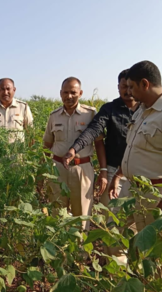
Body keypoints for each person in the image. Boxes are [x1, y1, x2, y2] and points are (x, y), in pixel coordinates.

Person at [108, 61, 162, 233]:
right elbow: (135, 149)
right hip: (131, 190)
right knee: (115, 235)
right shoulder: (141, 110)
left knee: (155, 250)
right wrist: (118, 175)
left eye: (132, 87)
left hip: (155, 196)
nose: (129, 93)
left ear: (145, 84)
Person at [63, 69, 139, 215]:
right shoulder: (109, 109)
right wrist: (74, 149)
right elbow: (92, 131)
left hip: (140, 172)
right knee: (111, 215)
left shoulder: (145, 109)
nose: (128, 91)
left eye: (131, 87)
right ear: (118, 87)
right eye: (124, 86)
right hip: (113, 170)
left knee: (137, 216)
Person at [42, 77, 97, 230]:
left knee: (82, 214)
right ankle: (60, 250)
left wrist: (103, 171)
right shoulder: (54, 116)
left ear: (80, 93)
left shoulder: (90, 114)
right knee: (58, 212)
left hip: (81, 169)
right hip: (57, 168)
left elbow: (99, 143)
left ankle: (81, 252)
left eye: (73, 92)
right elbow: (47, 144)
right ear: (60, 93)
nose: (69, 96)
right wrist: (43, 170)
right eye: (65, 92)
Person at [0, 78, 34, 143]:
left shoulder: (23, 107)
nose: (5, 92)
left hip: (17, 152)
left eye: (8, 89)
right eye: (2, 89)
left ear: (14, 90)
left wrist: (31, 151)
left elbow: (30, 133)